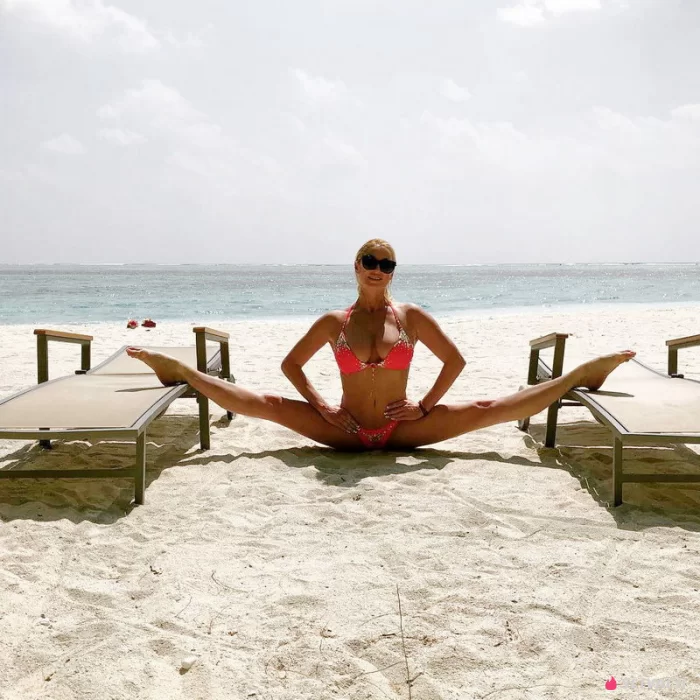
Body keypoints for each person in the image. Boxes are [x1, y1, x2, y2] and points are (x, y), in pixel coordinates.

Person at [126, 239, 635, 451]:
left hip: (405, 429)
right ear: (356, 266)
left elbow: (455, 361)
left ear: (393, 272)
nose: (377, 269)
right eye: (370, 261)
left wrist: (425, 406)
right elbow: (290, 365)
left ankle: (581, 375)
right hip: (344, 429)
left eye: (386, 264)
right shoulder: (334, 322)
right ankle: (180, 372)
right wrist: (322, 408)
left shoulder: (410, 317)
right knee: (268, 404)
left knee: (489, 408)